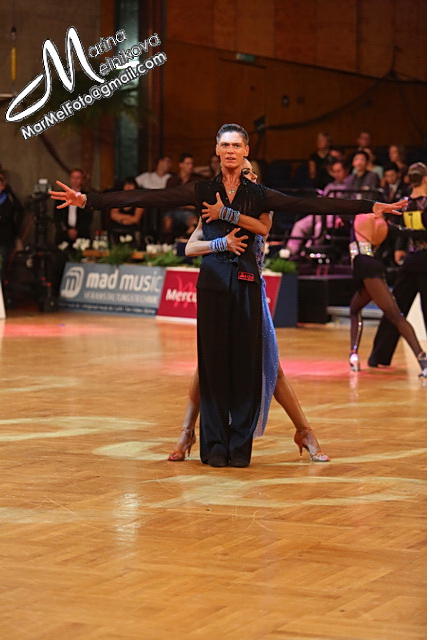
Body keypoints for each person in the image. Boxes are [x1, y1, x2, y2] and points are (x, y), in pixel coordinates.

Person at [50, 122, 406, 467]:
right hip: (213, 282)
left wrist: (368, 205)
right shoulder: (204, 190)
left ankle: (245, 443)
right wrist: (89, 200)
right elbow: (150, 197)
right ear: (217, 150)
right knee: (211, 364)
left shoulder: (259, 196)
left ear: (246, 150)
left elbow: (309, 204)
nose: (231, 151)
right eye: (225, 145)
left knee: (252, 366)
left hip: (249, 284)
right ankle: (209, 442)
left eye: (237, 145)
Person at [168, 160, 329, 463]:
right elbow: (190, 248)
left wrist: (225, 214)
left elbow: (263, 229)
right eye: (242, 172)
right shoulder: (212, 209)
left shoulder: (262, 207)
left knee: (273, 368)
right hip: (222, 289)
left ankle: (305, 431)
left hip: (252, 292)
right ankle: (187, 431)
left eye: (250, 172)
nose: (247, 176)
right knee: (207, 365)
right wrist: (220, 240)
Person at [348, 212, 427, 376]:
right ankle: (353, 354)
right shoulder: (383, 224)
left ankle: (423, 360)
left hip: (365, 268)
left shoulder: (360, 217)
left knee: (396, 316)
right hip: (369, 267)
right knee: (355, 309)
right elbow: (404, 232)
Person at [368, 162, 427, 369]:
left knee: (394, 310)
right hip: (423, 261)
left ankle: (378, 356)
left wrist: (399, 240)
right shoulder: (421, 203)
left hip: (411, 261)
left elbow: (400, 228)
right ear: (426, 179)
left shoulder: (405, 202)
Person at [282, 160, 350, 258]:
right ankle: (289, 252)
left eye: (339, 171)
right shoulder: (330, 185)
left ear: (346, 171)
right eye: (334, 171)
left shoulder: (350, 185)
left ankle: (307, 252)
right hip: (322, 212)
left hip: (336, 215)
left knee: (319, 227)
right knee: (300, 225)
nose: (336, 174)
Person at [162, 153, 199, 242]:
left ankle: (183, 241)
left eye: (192, 163)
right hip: (173, 211)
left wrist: (180, 203)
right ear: (181, 165)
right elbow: (169, 199)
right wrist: (185, 203)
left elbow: (196, 202)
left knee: (194, 222)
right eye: (188, 163)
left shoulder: (195, 181)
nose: (190, 166)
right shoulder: (172, 180)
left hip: (189, 212)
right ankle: (167, 244)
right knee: (167, 222)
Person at [54, 168, 92, 248]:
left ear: (82, 180)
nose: (75, 180)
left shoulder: (86, 197)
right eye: (73, 177)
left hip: (81, 235)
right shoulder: (62, 196)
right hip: (63, 234)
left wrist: (77, 231)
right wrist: (67, 230)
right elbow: (57, 216)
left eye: (78, 178)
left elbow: (88, 217)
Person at [0, 170, 23, 281]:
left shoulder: (9, 198)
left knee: (3, 264)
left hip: (4, 237)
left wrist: (14, 228)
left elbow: (19, 211)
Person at [109, 177, 144, 247]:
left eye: (131, 185)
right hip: (117, 227)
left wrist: (121, 218)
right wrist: (128, 218)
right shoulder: (118, 200)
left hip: (133, 229)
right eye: (126, 185)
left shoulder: (139, 201)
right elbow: (113, 215)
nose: (128, 187)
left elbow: (136, 219)